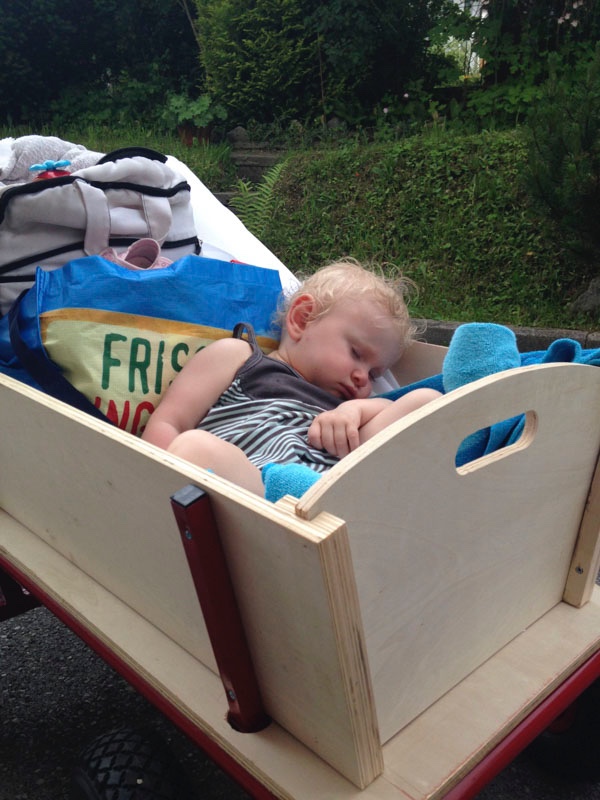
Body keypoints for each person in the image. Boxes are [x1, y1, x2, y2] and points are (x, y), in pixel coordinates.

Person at [142, 260, 441, 495]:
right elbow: (170, 422)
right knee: (194, 447)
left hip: (329, 489)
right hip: (251, 492)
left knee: (427, 402)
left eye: (375, 374)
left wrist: (356, 410)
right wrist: (148, 485)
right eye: (356, 353)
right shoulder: (239, 358)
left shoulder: (344, 411)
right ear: (302, 319)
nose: (363, 377)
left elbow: (402, 414)